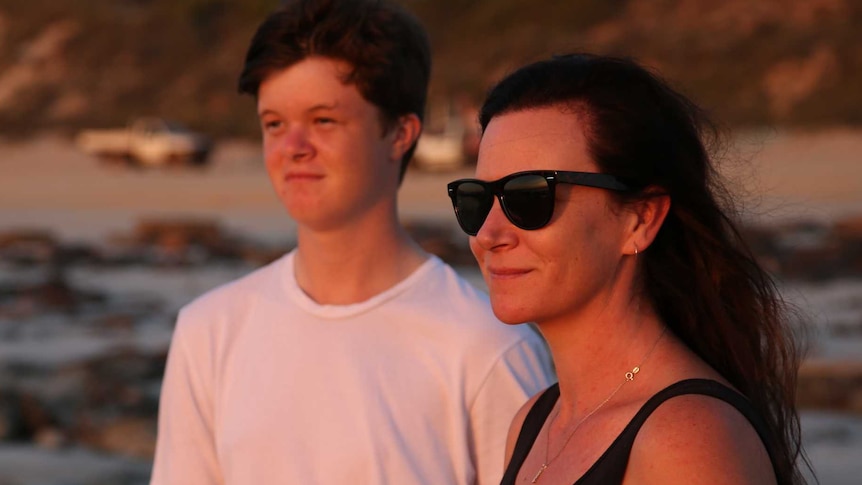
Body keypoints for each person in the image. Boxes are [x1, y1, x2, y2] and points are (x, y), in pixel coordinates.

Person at [149, 1, 555, 484]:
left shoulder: (489, 349)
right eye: (274, 123)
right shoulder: (209, 332)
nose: (292, 146)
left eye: (323, 120)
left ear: (400, 133)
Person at [446, 53, 809, 485]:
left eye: (528, 198)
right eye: (476, 200)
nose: (488, 234)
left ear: (640, 219)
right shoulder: (534, 422)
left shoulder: (687, 440)